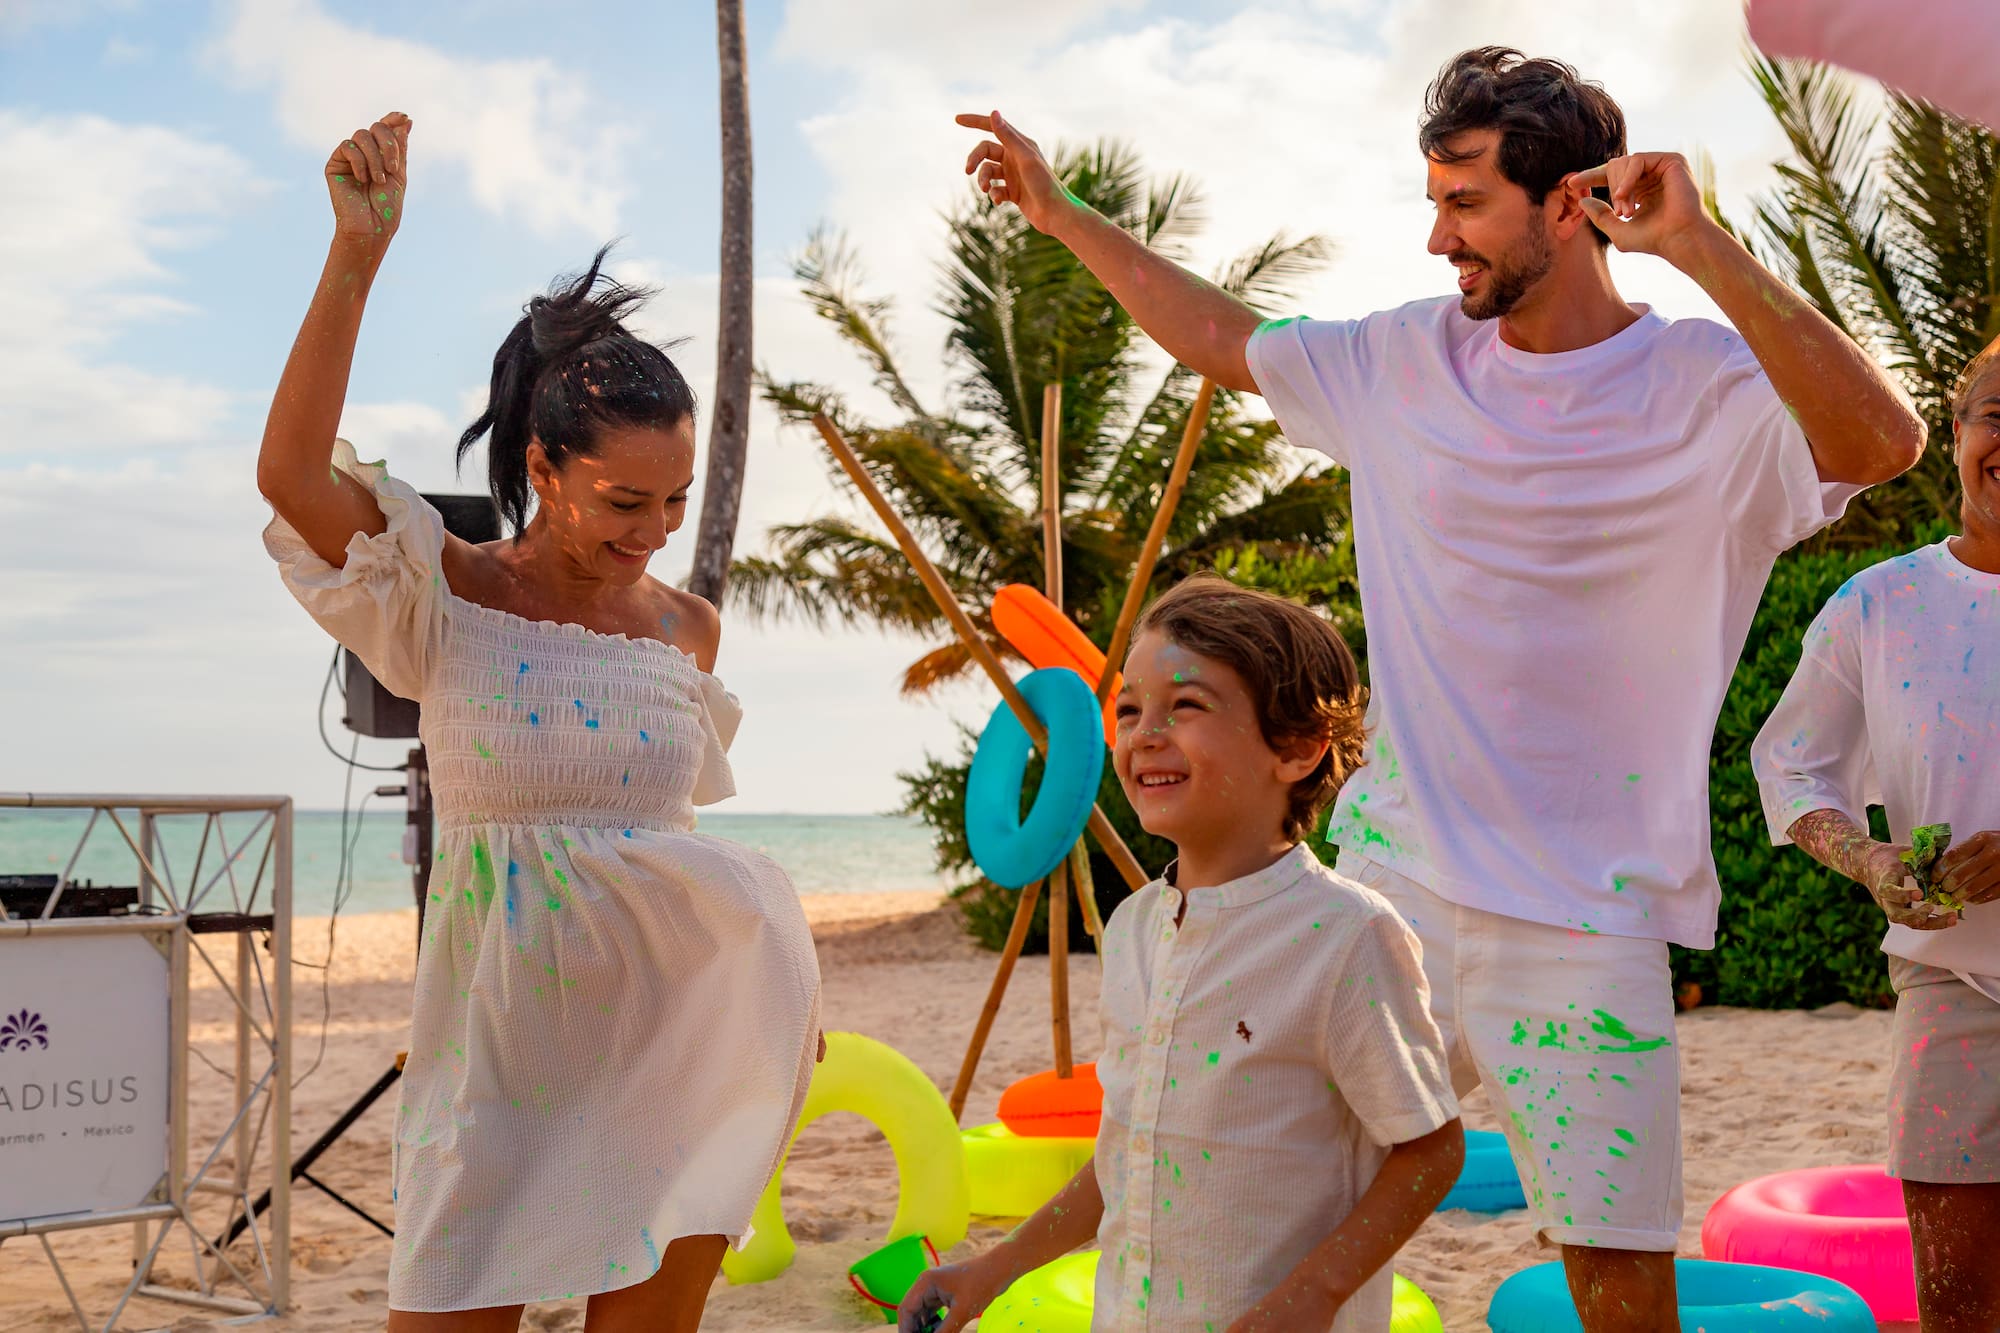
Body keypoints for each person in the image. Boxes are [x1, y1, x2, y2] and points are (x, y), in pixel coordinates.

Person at [955, 46, 1924, 1329]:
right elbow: (1220, 337)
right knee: (1276, 1189)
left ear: (1566, 201)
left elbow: (1883, 442)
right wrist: (1059, 214)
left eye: (1463, 201)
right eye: (1432, 199)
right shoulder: (1398, 363)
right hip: (1385, 886)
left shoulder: (1703, 388)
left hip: (1584, 916)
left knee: (1618, 1282)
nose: (1434, 238)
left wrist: (1697, 244)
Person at [256, 112, 822, 1333]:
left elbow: (667, 856)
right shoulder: (445, 590)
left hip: (668, 1044)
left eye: (673, 499)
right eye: (625, 499)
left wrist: (769, 993)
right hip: (497, 1050)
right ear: (542, 466)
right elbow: (292, 476)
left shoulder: (685, 630)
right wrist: (354, 256)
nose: (654, 528)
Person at [899, 577, 1465, 1333]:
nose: (1144, 733)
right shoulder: (1133, 929)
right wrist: (995, 1267)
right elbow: (1126, 1157)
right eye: (1130, 708)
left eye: (1186, 705)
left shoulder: (1348, 936)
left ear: (1296, 746)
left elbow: (1430, 1149)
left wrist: (1315, 1294)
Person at [1752, 339, 2000, 1333]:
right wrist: (1865, 857)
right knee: (1952, 1301)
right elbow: (1790, 765)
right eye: (1997, 415)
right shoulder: (1878, 604)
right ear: (1955, 434)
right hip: (1950, 985)